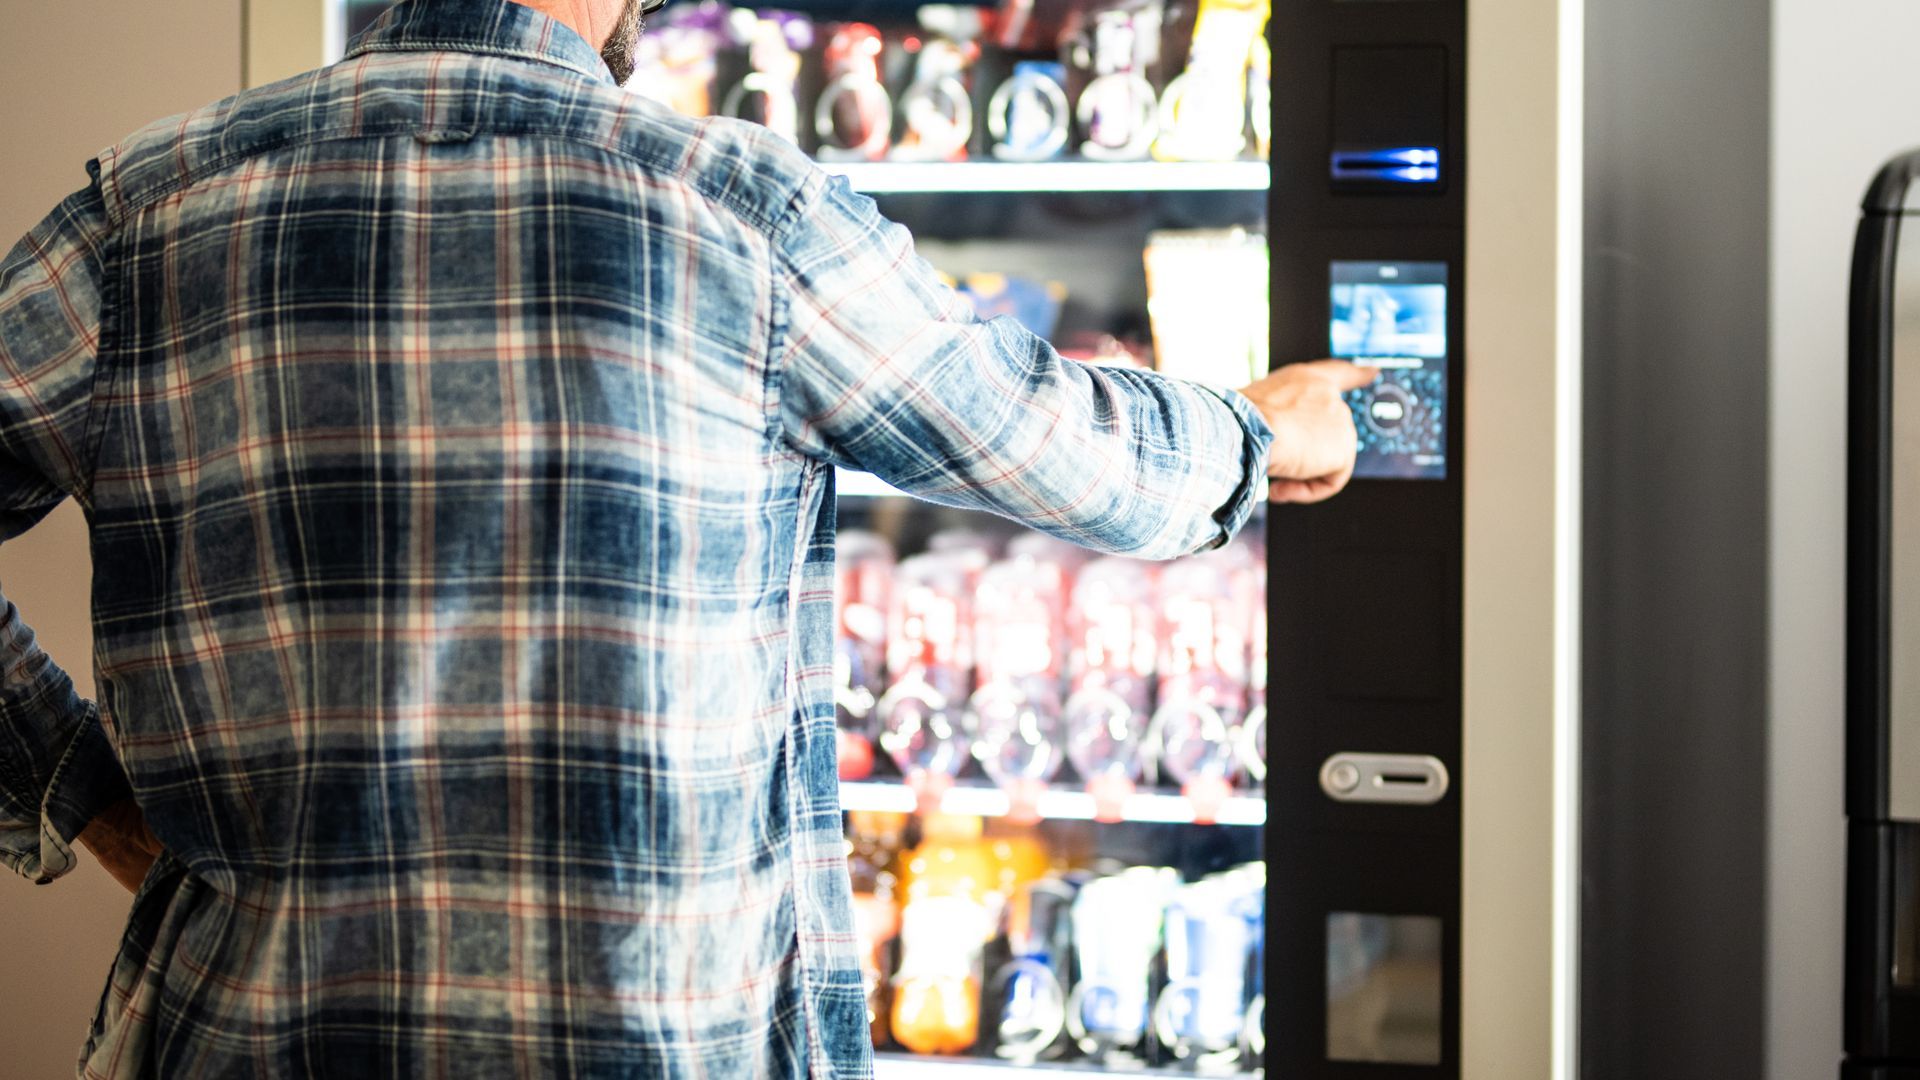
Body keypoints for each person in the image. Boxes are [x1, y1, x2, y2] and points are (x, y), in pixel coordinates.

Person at [0, 0, 1372, 1075]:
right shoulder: (737, 213)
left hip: (246, 1041)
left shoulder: (144, 214)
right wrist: (1262, 428)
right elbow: (1067, 452)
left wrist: (80, 790)